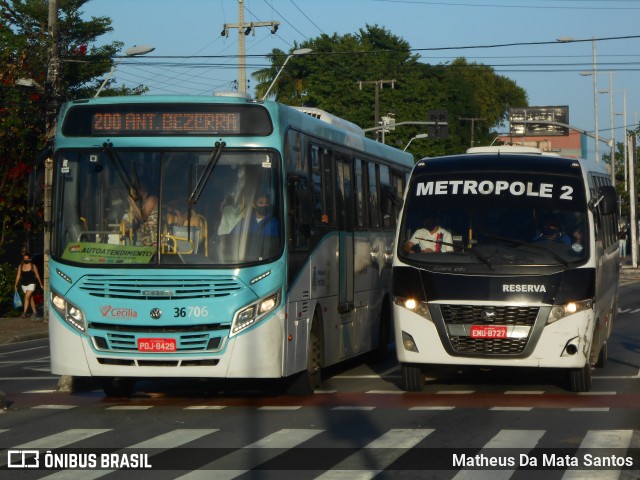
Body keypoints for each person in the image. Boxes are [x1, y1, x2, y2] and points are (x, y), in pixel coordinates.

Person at [14, 252, 44, 318]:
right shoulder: (20, 266)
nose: (25, 260)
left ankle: (24, 313)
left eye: (27, 259)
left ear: (29, 259)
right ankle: (35, 313)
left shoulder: (33, 266)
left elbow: (37, 275)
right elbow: (18, 276)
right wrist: (15, 285)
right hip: (23, 284)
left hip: (32, 283)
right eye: (24, 258)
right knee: (30, 298)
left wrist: (41, 284)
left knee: (26, 297)